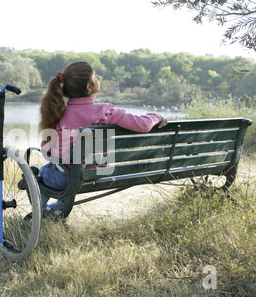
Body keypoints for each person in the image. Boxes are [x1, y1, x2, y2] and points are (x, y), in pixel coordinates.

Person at [36, 61, 168, 218]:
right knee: (57, 169)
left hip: (65, 179)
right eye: (95, 75)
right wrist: (156, 116)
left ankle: (40, 211)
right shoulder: (106, 112)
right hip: (97, 173)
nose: (99, 77)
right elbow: (142, 125)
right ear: (88, 87)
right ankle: (55, 210)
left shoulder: (58, 113)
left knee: (41, 174)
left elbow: (46, 153)